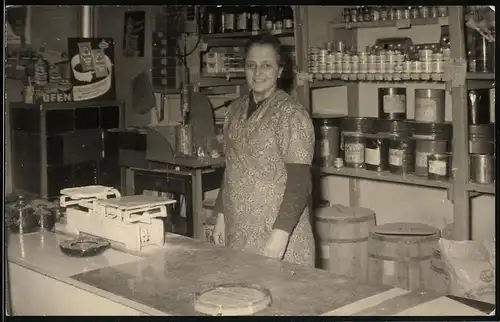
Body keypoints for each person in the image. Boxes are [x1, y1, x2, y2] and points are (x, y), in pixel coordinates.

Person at [211, 34, 315, 267]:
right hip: (239, 231)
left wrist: (281, 234)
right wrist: (221, 215)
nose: (258, 72)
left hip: (278, 235)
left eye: (266, 65)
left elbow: (300, 183)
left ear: (280, 71)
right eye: (251, 65)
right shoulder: (234, 110)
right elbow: (232, 168)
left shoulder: (292, 114)